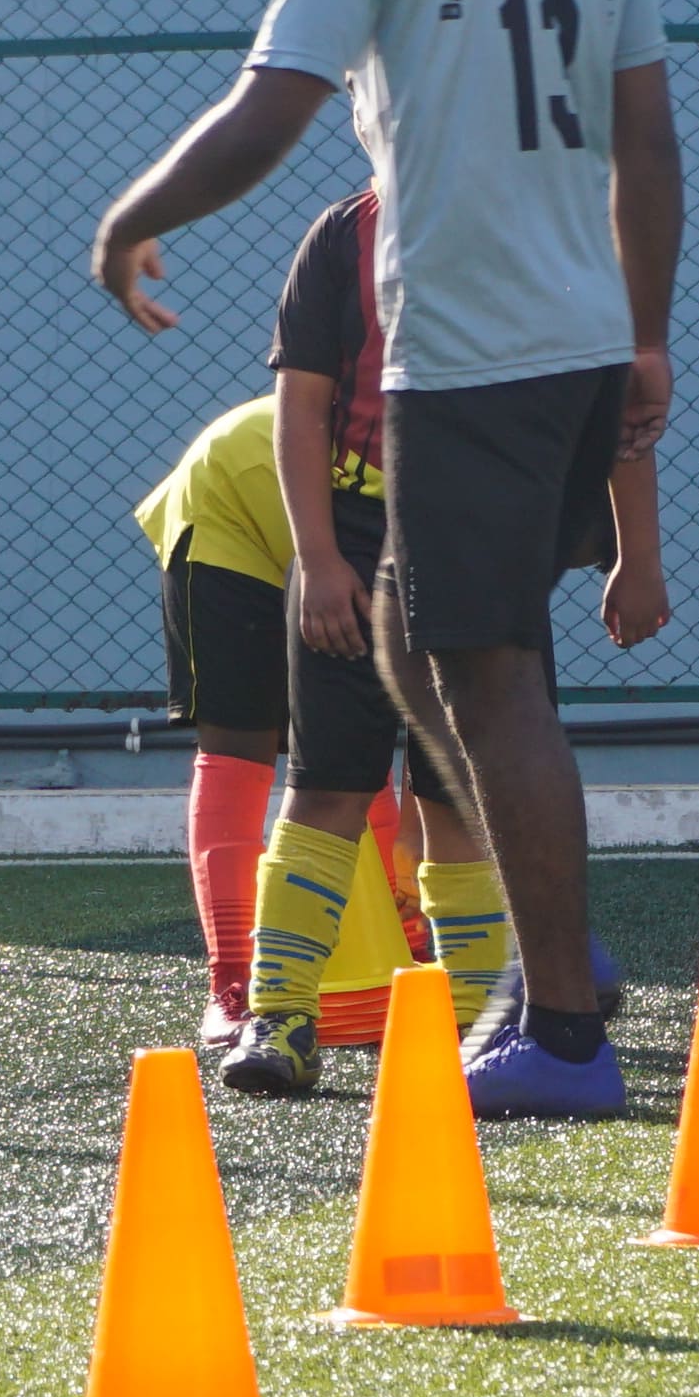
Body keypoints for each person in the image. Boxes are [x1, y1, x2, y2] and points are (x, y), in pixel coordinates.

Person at [88, 0, 679, 1120]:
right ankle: (557, 937)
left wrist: (134, 217)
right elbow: (648, 142)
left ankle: (562, 1025)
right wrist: (646, 331)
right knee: (418, 643)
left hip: (471, 351)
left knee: (487, 666)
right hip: (576, 335)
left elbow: (270, 110)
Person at [248, 188, 665, 1056]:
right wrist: (319, 559)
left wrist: (639, 557)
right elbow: (300, 406)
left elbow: (619, 414)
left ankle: (483, 1026)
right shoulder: (342, 236)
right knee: (327, 783)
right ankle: (278, 1014)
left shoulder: (541, 231)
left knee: (469, 791)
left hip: (483, 528)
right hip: (354, 533)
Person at [132, 387, 450, 1046]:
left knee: (358, 731)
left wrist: (417, 851)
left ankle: (406, 946)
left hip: (338, 525)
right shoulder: (456, 486)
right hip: (229, 500)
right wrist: (418, 843)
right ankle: (232, 981)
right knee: (239, 746)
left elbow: (434, 712)